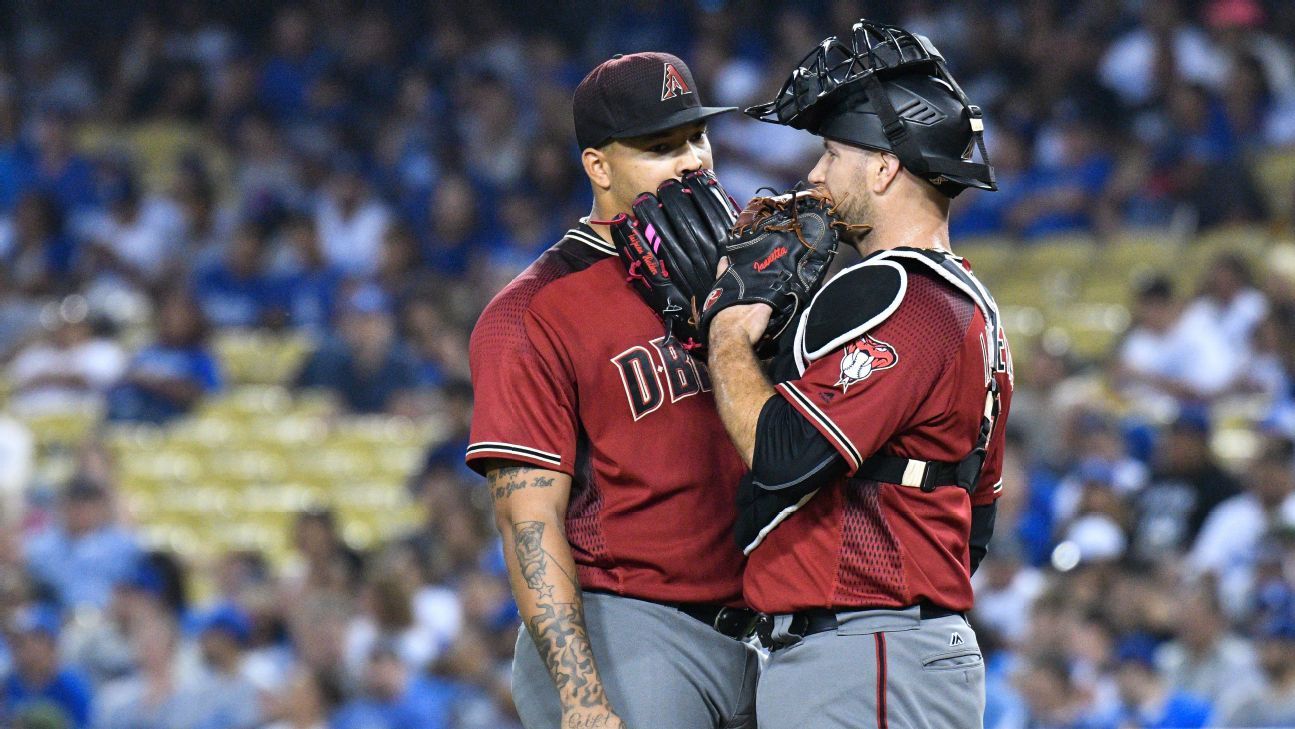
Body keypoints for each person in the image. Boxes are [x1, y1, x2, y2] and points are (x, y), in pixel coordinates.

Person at [703, 20, 1011, 729]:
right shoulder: (964, 302)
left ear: (883, 167)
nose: (815, 174)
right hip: (889, 645)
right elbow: (977, 520)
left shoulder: (898, 294)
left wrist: (727, 335)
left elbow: (780, 456)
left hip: (867, 653)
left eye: (832, 152)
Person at [466, 52, 758, 728]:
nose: (691, 161)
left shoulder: (744, 267)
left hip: (760, 620)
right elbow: (527, 520)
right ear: (598, 166)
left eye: (695, 137)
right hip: (627, 625)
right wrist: (581, 695)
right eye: (660, 147)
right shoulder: (532, 311)